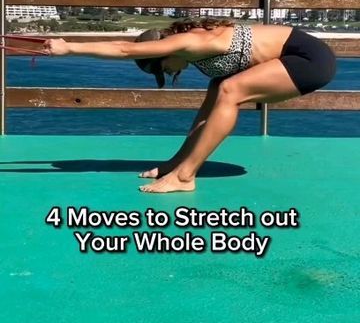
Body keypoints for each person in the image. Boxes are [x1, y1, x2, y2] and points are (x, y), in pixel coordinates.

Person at [44, 18, 336, 194]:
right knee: (217, 90)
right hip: (295, 56)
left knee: (230, 89)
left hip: (310, 60)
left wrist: (69, 47)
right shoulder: (194, 48)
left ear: (164, 51)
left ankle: (185, 177)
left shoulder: (188, 42)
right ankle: (177, 164)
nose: (169, 73)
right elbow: (204, 115)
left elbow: (124, 48)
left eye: (162, 69)